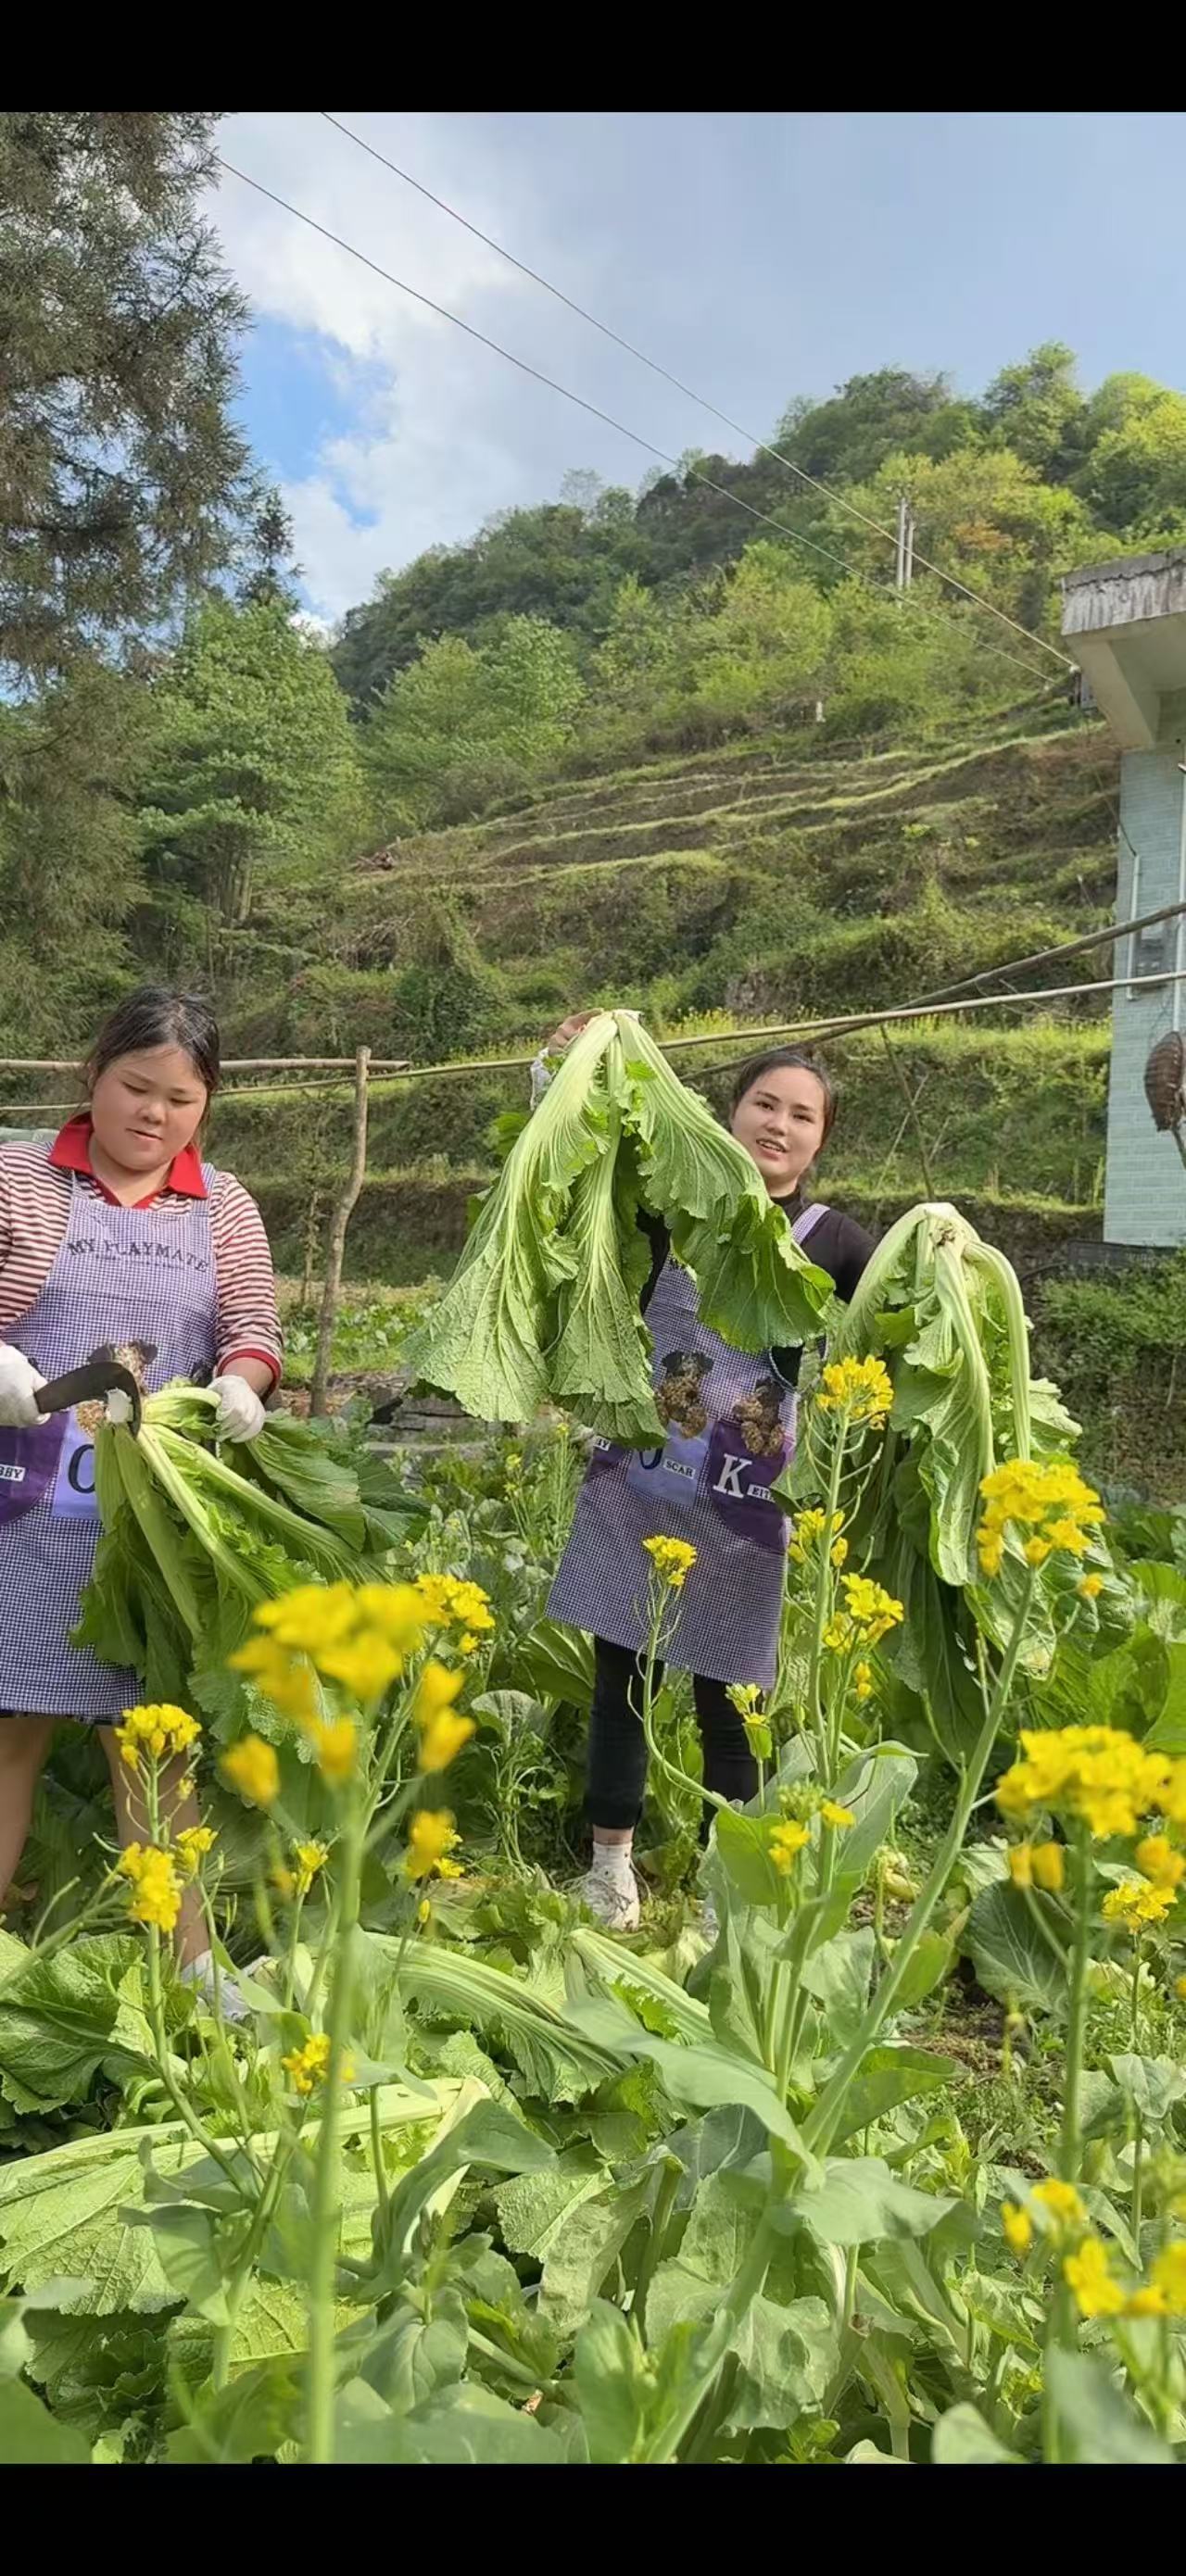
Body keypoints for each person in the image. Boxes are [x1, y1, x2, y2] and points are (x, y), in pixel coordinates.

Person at [537, 1013, 875, 1929]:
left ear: (821, 1138)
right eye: (763, 1103)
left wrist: (945, 1247)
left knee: (732, 1702)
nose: (778, 1124)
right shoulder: (673, 1206)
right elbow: (584, 1166)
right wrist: (559, 1070)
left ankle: (727, 1888)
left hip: (744, 1516)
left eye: (801, 1115)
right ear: (728, 1113)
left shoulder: (833, 1241)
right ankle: (610, 1869)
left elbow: (896, 1300)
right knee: (622, 1683)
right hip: (637, 1486)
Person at [0, 987, 282, 1982]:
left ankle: (189, 1973)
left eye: (180, 1098)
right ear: (94, 1075)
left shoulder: (224, 1205)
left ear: (206, 1105)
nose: (153, 1114)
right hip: (20, 1509)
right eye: (134, 1087)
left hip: (153, 1526)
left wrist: (243, 1385)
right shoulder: (19, 1177)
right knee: (9, 1728)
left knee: (151, 1745)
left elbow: (253, 1327)